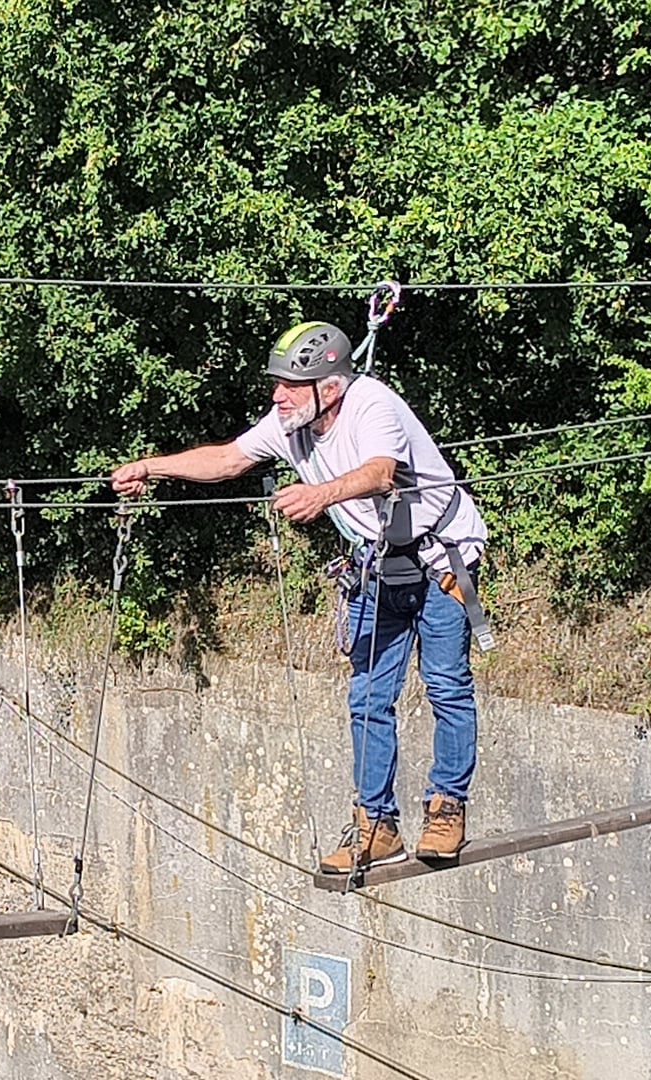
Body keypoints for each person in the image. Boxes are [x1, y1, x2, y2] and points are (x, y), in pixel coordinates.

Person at [110, 321, 489, 874]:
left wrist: (322, 495)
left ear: (329, 388)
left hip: (440, 561)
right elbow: (228, 460)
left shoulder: (372, 405)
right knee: (367, 699)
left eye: (290, 385)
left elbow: (381, 472)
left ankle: (446, 807)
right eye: (277, 384)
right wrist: (152, 468)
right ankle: (377, 825)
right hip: (379, 566)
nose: (278, 396)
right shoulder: (290, 424)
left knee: (446, 686)